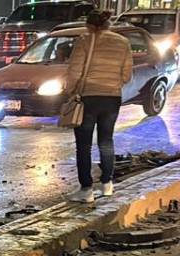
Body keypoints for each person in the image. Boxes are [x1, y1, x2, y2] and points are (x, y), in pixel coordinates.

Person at [64, 10, 133, 203]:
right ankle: (107, 184)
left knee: (83, 145)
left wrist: (70, 91)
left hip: (88, 97)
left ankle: (86, 189)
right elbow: (127, 75)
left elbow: (75, 71)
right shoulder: (122, 42)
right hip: (112, 98)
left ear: (90, 25)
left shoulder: (85, 40)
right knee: (106, 140)